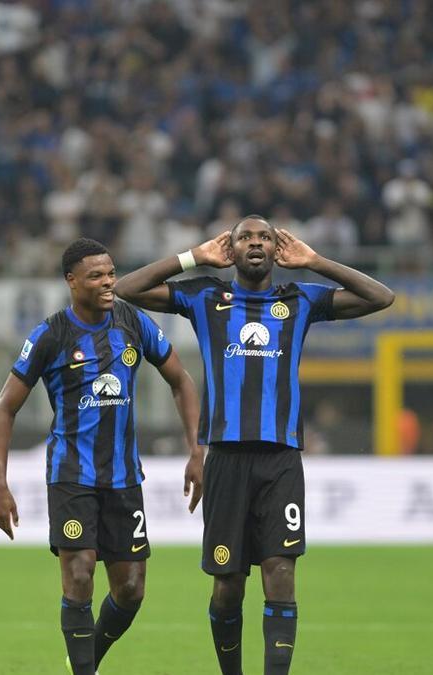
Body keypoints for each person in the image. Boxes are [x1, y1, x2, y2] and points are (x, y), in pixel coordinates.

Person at [115, 217, 395, 675]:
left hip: (281, 459)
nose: (256, 244)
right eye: (245, 237)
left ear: (278, 248)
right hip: (224, 458)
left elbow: (381, 297)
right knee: (227, 585)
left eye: (265, 237)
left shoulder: (300, 298)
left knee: (281, 574)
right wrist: (192, 258)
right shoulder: (206, 296)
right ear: (230, 248)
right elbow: (128, 288)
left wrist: (316, 262)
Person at [0, 238, 203, 675]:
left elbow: (181, 380)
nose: (109, 283)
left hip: (124, 477)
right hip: (71, 475)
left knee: (130, 589)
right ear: (71, 281)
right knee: (80, 573)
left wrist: (195, 450)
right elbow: (4, 408)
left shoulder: (133, 322)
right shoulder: (50, 335)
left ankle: (84, 659)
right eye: (96, 276)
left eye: (111, 273)